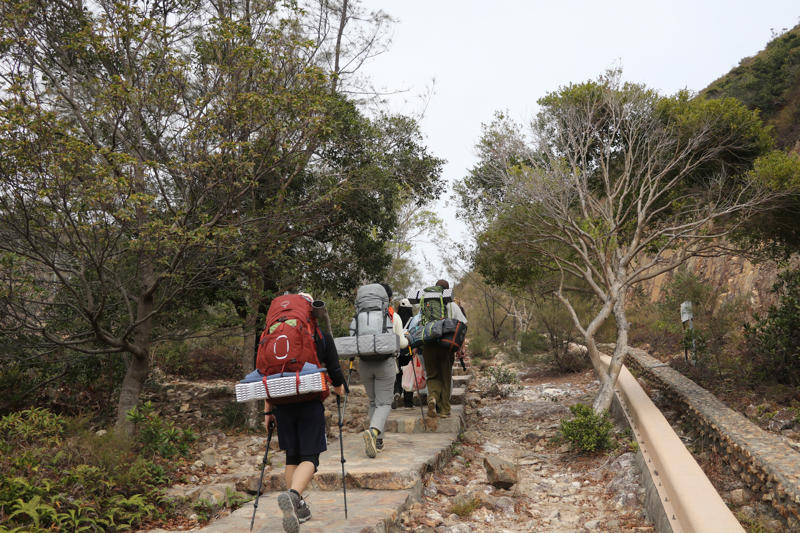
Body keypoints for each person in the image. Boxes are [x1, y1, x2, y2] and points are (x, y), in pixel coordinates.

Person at [263, 292, 347, 533]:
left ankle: (297, 508)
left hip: (281, 401)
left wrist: (268, 410)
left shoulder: (274, 332)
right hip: (309, 401)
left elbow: (265, 372)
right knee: (311, 457)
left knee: (292, 455)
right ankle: (293, 495)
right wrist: (340, 389)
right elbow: (334, 370)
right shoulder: (319, 333)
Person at [357, 283, 408, 457]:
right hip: (385, 362)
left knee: (373, 402)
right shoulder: (392, 316)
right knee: (384, 403)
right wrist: (408, 339)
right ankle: (373, 432)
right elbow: (401, 343)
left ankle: (377, 442)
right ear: (388, 299)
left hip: (364, 363)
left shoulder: (358, 317)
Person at [421, 279, 467, 419]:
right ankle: (444, 410)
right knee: (445, 377)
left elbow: (418, 323)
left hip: (428, 344)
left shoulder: (425, 304)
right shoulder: (452, 304)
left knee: (433, 376)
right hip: (446, 345)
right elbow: (463, 325)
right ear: (447, 290)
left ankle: (432, 398)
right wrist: (461, 347)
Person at [394, 298, 416, 408]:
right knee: (409, 375)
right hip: (409, 351)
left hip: (396, 350)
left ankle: (396, 392)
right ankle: (408, 402)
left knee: (397, 374)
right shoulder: (413, 320)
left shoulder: (395, 318)